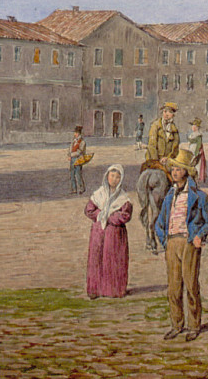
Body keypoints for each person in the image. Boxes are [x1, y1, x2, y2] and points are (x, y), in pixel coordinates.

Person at [154, 147, 208, 342]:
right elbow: (159, 223)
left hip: (189, 243)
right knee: (173, 288)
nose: (174, 172)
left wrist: (199, 236)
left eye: (179, 169)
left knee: (190, 286)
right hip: (172, 244)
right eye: (173, 169)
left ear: (187, 172)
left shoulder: (200, 196)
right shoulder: (169, 196)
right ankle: (176, 324)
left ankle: (194, 325)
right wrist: (165, 241)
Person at [84, 162, 133, 298]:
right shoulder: (99, 194)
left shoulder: (123, 198)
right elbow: (89, 210)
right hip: (98, 232)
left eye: (117, 177)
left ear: (121, 179)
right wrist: (100, 214)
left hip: (115, 234)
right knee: (97, 259)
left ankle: (114, 290)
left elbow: (126, 215)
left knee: (113, 260)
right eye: (112, 176)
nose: (114, 179)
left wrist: (110, 217)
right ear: (107, 176)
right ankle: (95, 289)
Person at [69, 125, 88, 195]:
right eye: (74, 133)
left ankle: (81, 188)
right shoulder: (73, 141)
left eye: (76, 133)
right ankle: (74, 189)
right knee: (72, 174)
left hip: (78, 159)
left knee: (78, 174)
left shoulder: (82, 142)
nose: (74, 134)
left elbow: (79, 151)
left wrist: (71, 155)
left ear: (79, 134)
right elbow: (70, 149)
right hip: (72, 159)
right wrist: (69, 155)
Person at [187, 119, 206, 184]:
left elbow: (199, 144)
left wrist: (196, 152)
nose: (193, 128)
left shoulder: (198, 135)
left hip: (196, 151)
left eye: (194, 126)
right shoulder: (192, 134)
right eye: (192, 126)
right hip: (191, 149)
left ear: (197, 127)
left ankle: (197, 178)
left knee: (197, 164)